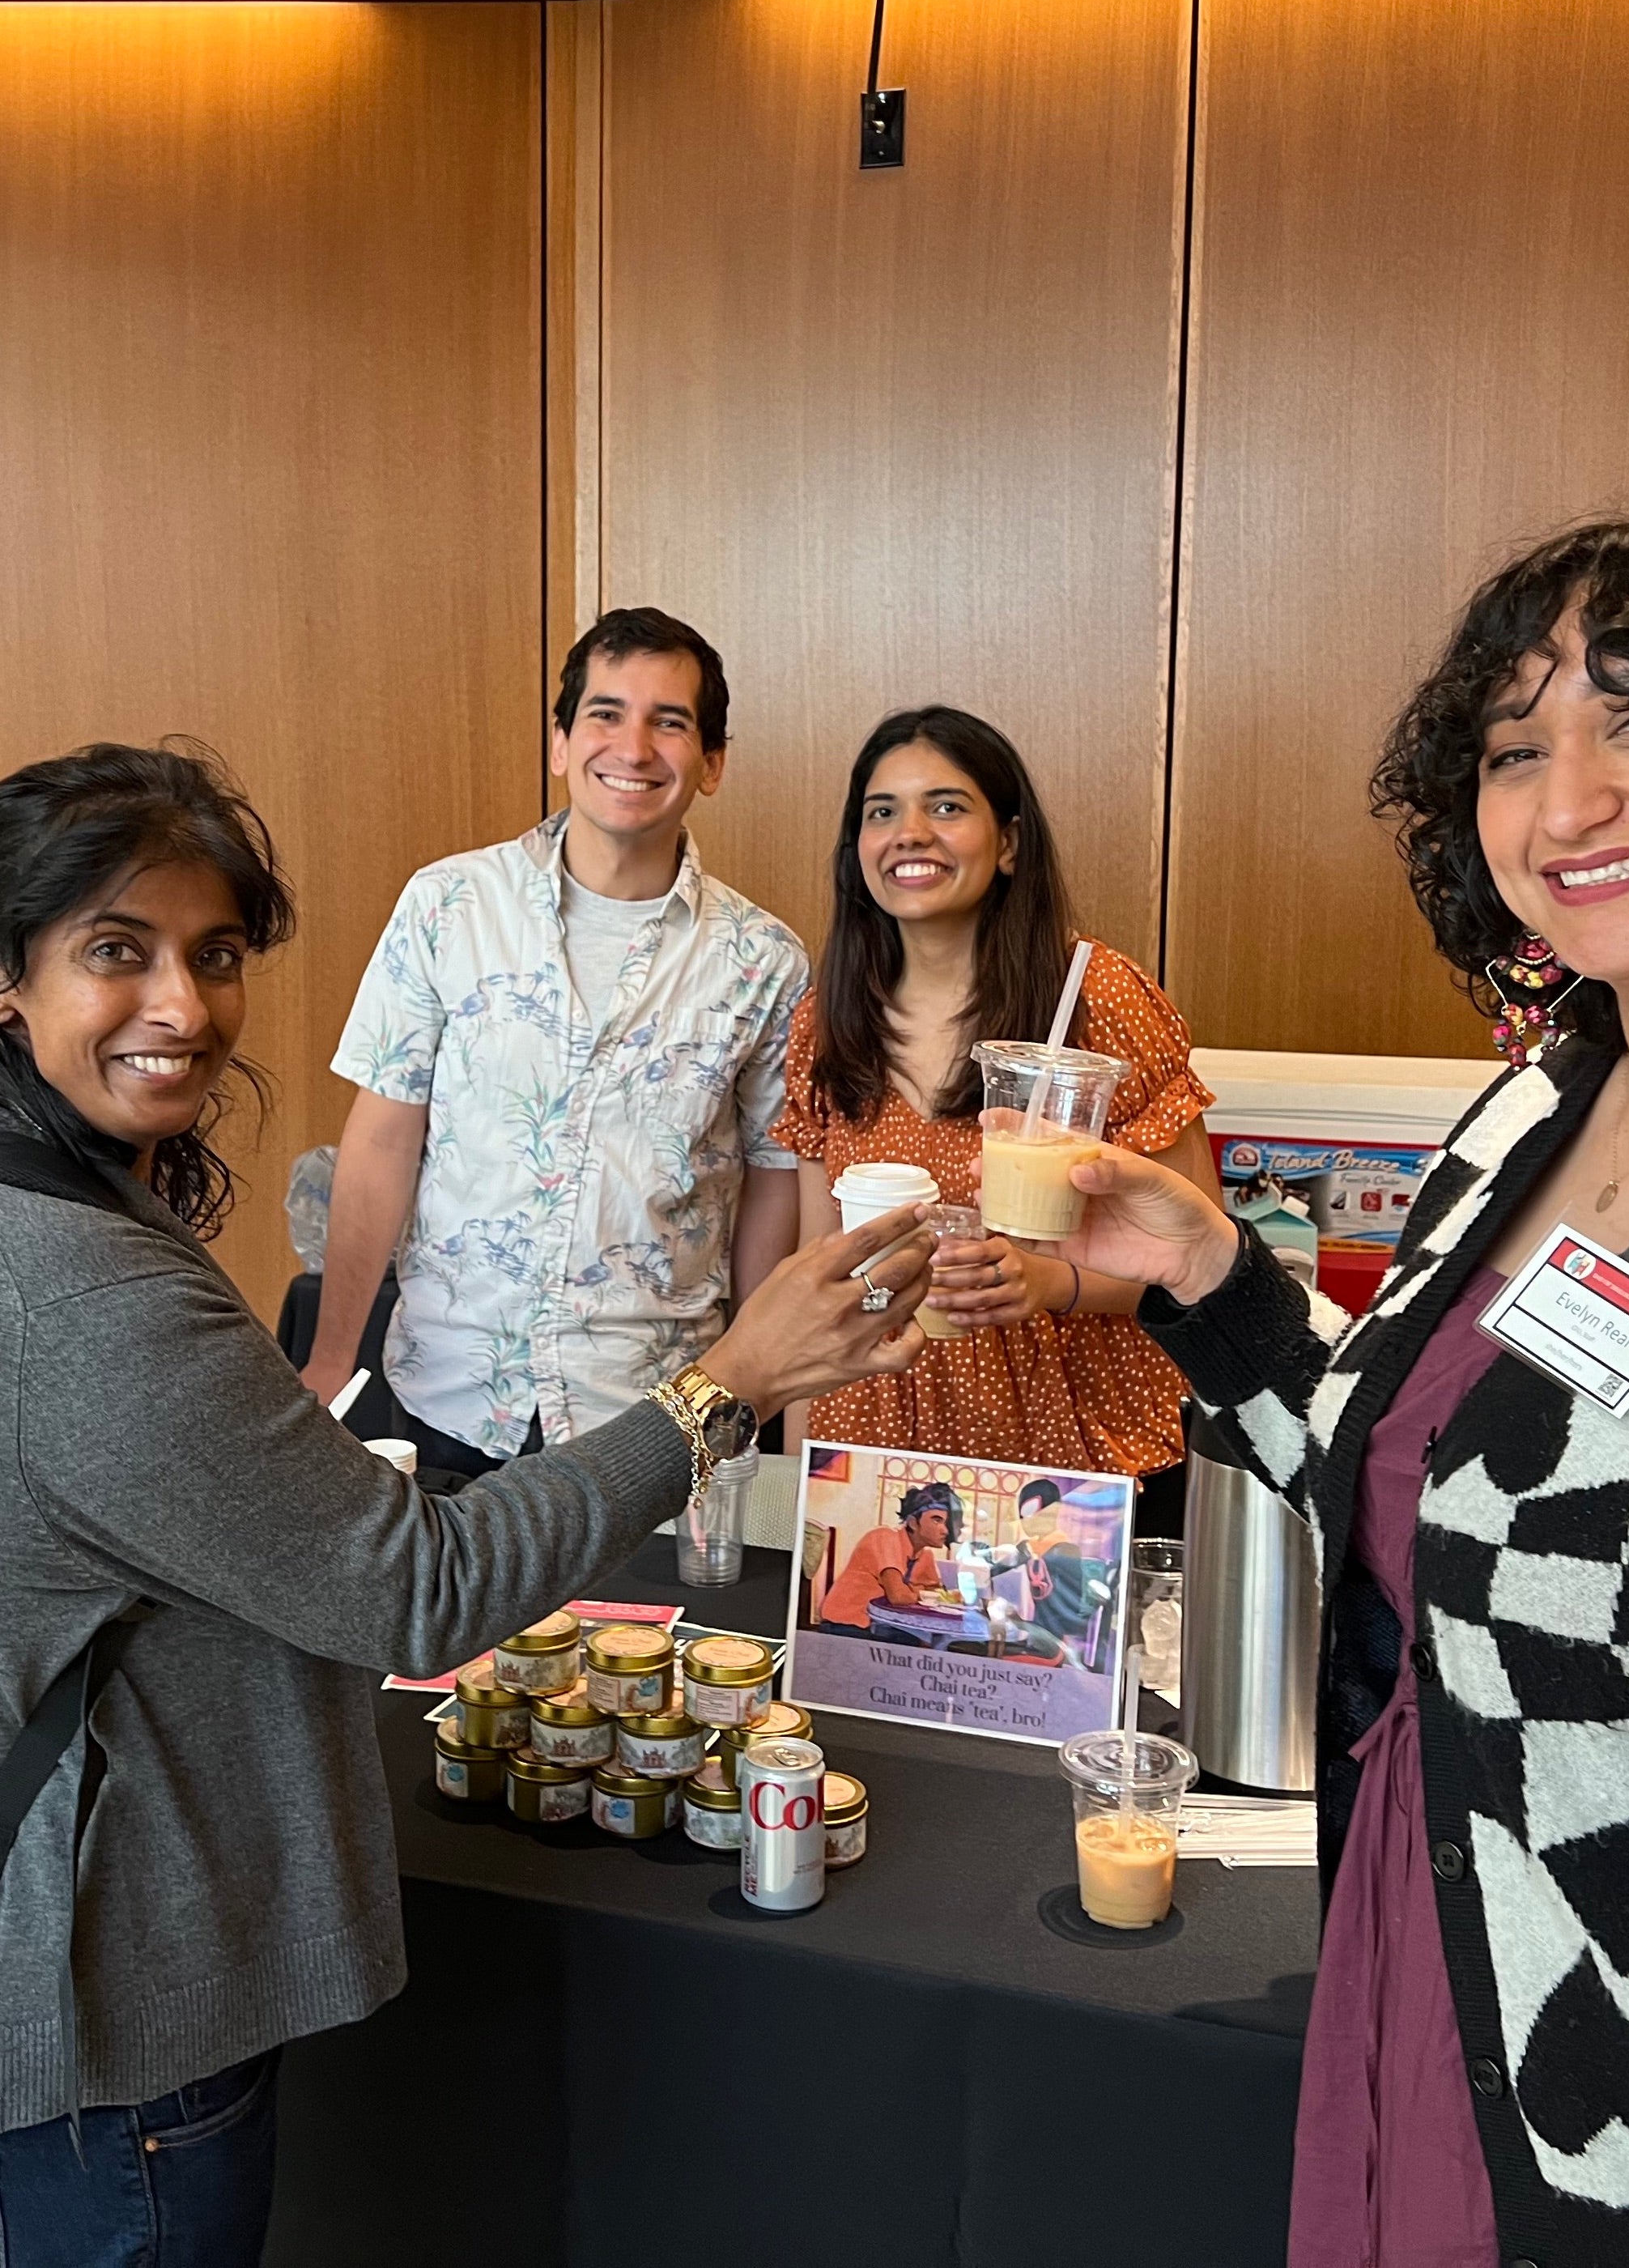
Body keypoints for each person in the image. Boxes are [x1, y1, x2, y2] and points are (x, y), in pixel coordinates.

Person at [0, 741, 932, 2264]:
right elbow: (414, 1590)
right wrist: (723, 1386)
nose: (183, 1006)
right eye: (118, 950)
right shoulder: (87, 1290)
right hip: (116, 2038)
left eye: (216, 954)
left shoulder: (764, 957)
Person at [1060, 518, 1629, 2267]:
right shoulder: (1526, 1115)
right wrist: (1205, 1276)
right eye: (1512, 749)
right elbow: (1410, 1506)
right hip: (1434, 1947)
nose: (1565, 800)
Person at [304, 606, 808, 1474]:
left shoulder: (764, 961)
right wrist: (329, 1357)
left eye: (671, 722)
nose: (634, 746)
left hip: (657, 1414)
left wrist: (756, 1394)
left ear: (713, 762)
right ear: (561, 742)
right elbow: (384, 1135)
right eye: (606, 714)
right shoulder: (448, 904)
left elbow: (771, 1183)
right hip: (446, 1393)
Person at [774, 705, 1219, 1491]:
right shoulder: (826, 1020)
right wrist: (799, 1472)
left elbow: (1200, 1258)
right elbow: (824, 1275)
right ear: (859, 851)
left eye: (946, 806)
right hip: (873, 1447)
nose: (910, 831)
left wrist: (1049, 1282)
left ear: (1009, 843)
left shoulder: (1098, 999)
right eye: (883, 812)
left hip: (1072, 1453)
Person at [985, 1476, 1113, 1663]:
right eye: (1022, 1514)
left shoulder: (1064, 1551)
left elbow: (1070, 1611)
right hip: (1036, 1635)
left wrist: (1022, 1623)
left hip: (1052, 1644)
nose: (1025, 1521)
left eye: (1031, 1512)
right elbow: (995, 1570)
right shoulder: (1030, 1548)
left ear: (1053, 1513)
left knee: (985, 1652)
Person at [817, 1480, 960, 1636]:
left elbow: (936, 1592)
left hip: (883, 1625)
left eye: (947, 1523)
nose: (946, 1531)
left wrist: (919, 1592)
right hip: (846, 1625)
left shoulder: (925, 1555)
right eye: (937, 1520)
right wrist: (920, 1593)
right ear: (913, 1522)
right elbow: (898, 1596)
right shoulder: (885, 1537)